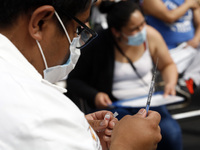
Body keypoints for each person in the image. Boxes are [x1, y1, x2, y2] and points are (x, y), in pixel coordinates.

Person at [0, 0, 162, 150]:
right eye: (78, 29)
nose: (77, 41)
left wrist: (79, 133)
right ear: (40, 22)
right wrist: (127, 145)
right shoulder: (39, 112)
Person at [66, 1, 180, 150]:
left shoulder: (150, 35)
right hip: (115, 106)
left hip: (148, 104)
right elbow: (74, 81)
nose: (141, 30)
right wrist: (95, 95)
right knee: (118, 136)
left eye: (142, 24)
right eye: (134, 28)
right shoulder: (98, 44)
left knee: (172, 133)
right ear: (116, 32)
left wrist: (170, 83)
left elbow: (167, 64)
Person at [140, 0, 200, 91]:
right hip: (168, 53)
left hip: (190, 47)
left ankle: (187, 81)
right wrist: (188, 4)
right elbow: (169, 17)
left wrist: (196, 39)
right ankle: (178, 82)